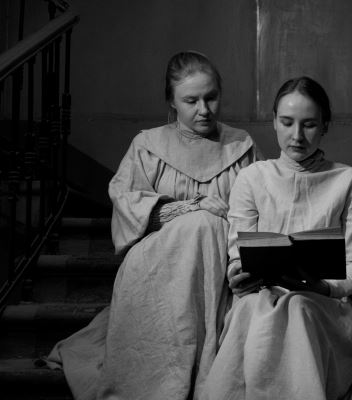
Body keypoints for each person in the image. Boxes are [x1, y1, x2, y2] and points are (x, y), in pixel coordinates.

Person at [47, 51, 262, 400]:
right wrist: (192, 207)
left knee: (207, 227)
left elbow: (263, 209)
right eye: (191, 100)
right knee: (201, 224)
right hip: (159, 261)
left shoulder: (241, 146)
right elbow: (128, 205)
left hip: (222, 266)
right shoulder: (148, 145)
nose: (204, 109)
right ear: (172, 102)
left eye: (211, 97)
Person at [200, 76, 352, 400]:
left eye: (309, 124)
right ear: (274, 121)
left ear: (325, 126)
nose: (297, 135)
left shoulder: (349, 180)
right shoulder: (252, 178)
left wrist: (326, 287)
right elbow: (238, 253)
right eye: (287, 122)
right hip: (261, 297)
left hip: (324, 306)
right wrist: (239, 274)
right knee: (252, 310)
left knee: (299, 306)